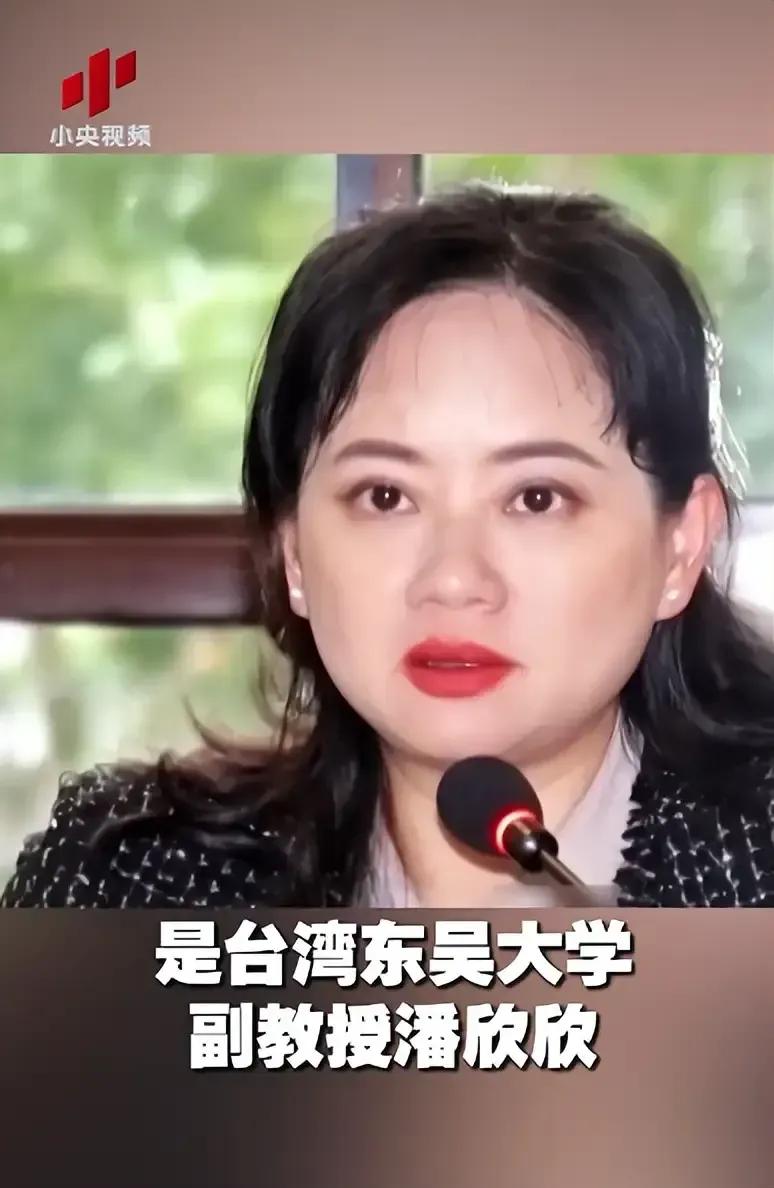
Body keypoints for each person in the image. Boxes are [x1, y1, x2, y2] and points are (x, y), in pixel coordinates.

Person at [4, 182, 774, 910]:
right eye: (385, 496)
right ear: (293, 553)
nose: (454, 579)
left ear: (682, 547)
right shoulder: (121, 882)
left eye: (537, 498)